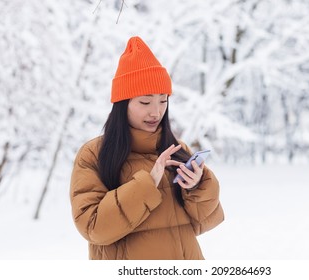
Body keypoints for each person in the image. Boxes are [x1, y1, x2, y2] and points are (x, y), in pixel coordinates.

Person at [70, 36, 224, 260]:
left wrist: (197, 186)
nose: (156, 112)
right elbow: (93, 227)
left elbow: (204, 223)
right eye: (145, 102)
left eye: (163, 101)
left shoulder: (176, 149)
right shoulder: (94, 154)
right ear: (123, 104)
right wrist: (147, 184)